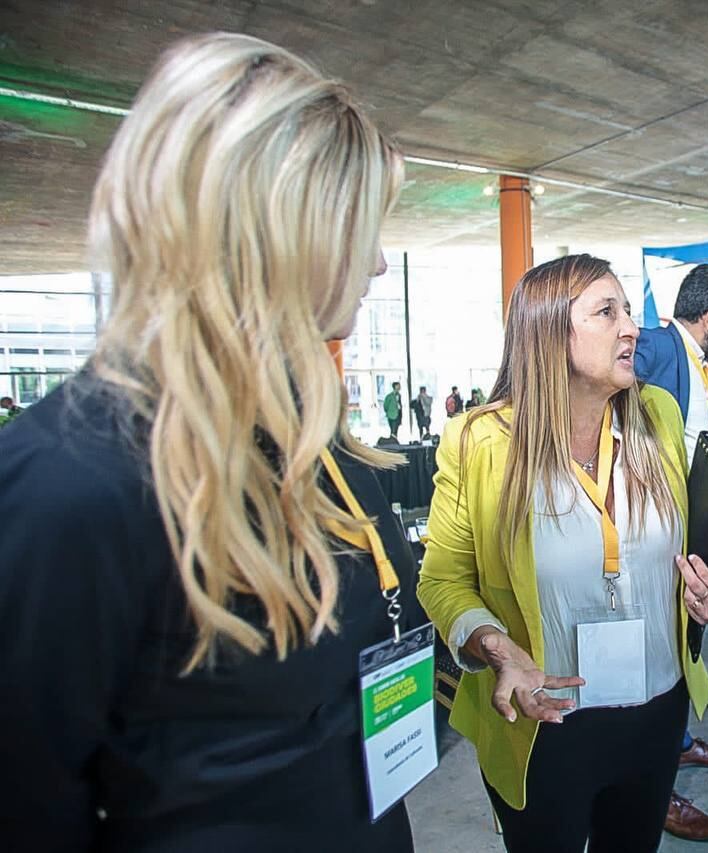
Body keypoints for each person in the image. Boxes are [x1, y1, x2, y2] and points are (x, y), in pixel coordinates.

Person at [0, 33, 425, 852]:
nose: (377, 264)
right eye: (359, 229)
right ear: (274, 232)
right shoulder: (68, 487)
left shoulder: (321, 449)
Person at [417, 254, 708, 853]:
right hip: (544, 720)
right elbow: (442, 580)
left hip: (657, 710)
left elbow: (699, 558)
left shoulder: (658, 416)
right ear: (547, 333)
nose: (632, 328)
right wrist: (496, 647)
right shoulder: (478, 441)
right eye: (606, 312)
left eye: (629, 310)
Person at [634, 262, 708, 842]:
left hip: (689, 532)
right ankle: (651, 788)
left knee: (683, 646)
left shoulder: (693, 363)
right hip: (651, 540)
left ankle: (676, 746)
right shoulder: (655, 345)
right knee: (657, 656)